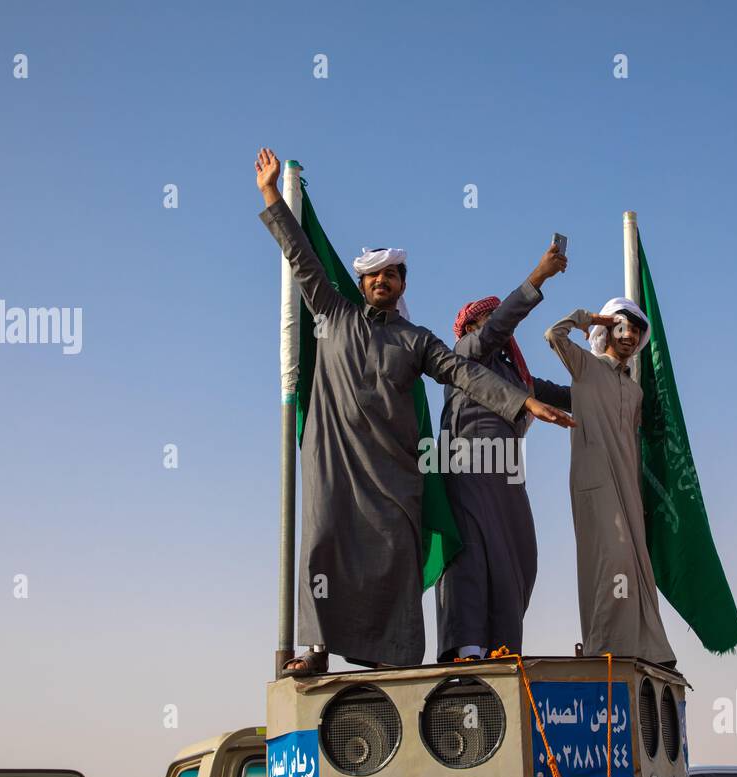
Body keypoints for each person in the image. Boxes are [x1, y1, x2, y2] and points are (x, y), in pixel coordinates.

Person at [254, 148, 574, 672]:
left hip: (395, 473)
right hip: (336, 464)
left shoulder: (416, 340)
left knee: (395, 561)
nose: (384, 282)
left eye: (394, 275)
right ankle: (317, 652)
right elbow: (300, 256)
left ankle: (395, 659)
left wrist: (525, 401)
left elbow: (463, 373)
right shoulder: (332, 314)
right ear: (362, 284)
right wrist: (270, 193)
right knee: (324, 549)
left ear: (403, 285)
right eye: (375, 275)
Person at [436, 245, 572, 661]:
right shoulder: (464, 354)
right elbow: (499, 327)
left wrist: (616, 388)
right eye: (485, 321)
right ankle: (467, 647)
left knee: (515, 558)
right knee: (472, 556)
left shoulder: (516, 372)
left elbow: (568, 395)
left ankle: (501, 645)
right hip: (468, 463)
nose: (495, 329)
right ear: (470, 327)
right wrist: (539, 276)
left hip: (507, 475)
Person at [544, 298, 676, 666]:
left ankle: (649, 647)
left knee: (635, 563)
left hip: (627, 483)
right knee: (610, 559)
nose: (629, 335)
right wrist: (590, 317)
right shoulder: (585, 366)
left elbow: (632, 440)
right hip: (594, 480)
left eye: (635, 329)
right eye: (622, 327)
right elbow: (553, 334)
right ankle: (603, 646)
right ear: (607, 331)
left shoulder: (634, 390)